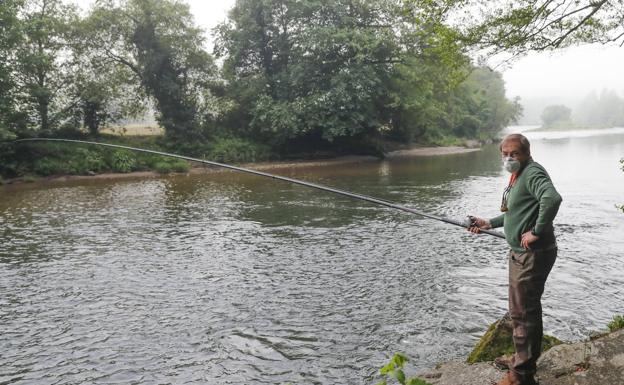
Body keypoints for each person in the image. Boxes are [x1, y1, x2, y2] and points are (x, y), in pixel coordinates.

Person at [469, 133, 562, 385]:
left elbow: (552, 198)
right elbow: (515, 213)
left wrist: (537, 231)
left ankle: (521, 376)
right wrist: (489, 222)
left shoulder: (532, 173)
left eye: (514, 154)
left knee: (523, 314)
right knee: (523, 311)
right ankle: (523, 360)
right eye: (505, 154)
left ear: (526, 153)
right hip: (522, 255)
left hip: (531, 256)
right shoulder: (518, 175)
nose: (509, 158)